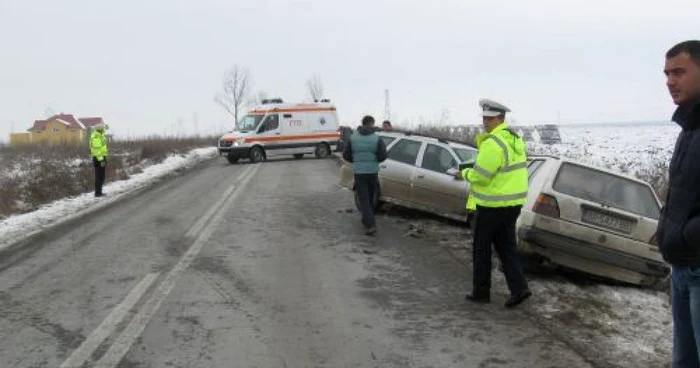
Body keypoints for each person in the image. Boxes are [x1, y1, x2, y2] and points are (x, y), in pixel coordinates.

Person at [460, 99, 531, 308]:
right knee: (506, 247)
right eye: (484, 118)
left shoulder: (493, 143)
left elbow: (481, 176)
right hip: (513, 204)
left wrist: (463, 172)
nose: (485, 122)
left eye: (489, 119)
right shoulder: (514, 139)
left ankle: (481, 292)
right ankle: (519, 289)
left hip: (491, 206)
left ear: (500, 118)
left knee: (481, 249)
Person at [657, 40, 700, 368]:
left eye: (679, 72)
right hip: (682, 267)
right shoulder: (689, 126)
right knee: (683, 361)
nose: (670, 81)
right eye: (667, 73)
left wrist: (687, 234)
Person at [343, 115, 387, 235]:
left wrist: (357, 160)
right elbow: (383, 155)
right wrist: (374, 160)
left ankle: (367, 220)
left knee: (364, 198)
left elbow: (346, 155)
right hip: (372, 172)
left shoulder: (353, 138)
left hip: (359, 172)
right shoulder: (376, 139)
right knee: (370, 197)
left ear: (362, 124)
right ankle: (370, 223)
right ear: (371, 124)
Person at [90, 123, 109, 197]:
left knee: (101, 176)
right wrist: (101, 160)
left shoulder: (100, 135)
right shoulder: (96, 137)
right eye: (102, 129)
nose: (104, 130)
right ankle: (97, 193)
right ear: (100, 130)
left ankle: (99, 192)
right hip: (98, 159)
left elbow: (103, 146)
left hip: (101, 157)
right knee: (99, 176)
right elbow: (97, 150)